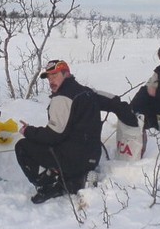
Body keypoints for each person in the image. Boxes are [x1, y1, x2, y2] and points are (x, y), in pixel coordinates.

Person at [15, 60, 102, 204]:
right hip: (92, 156)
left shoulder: (63, 97)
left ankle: (50, 185)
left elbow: (53, 135)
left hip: (74, 160)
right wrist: (129, 115)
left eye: (54, 76)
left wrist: (28, 131)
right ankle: (73, 178)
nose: (50, 81)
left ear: (66, 74)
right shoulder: (87, 92)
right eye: (49, 77)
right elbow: (113, 102)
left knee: (22, 146)